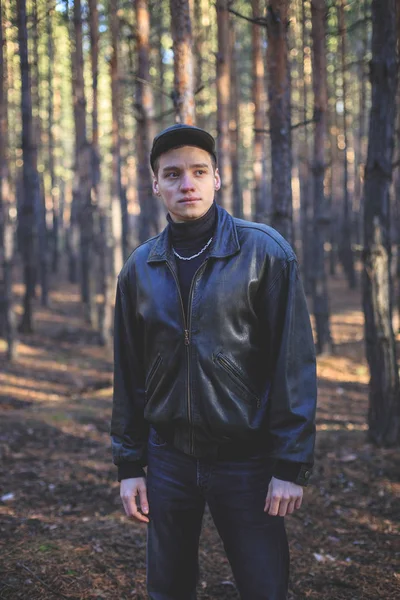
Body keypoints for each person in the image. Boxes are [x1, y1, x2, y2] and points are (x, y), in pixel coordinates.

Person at [111, 123, 317, 600]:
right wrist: (129, 465)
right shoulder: (139, 267)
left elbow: (294, 364)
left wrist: (290, 463)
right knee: (168, 589)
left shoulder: (264, 252)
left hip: (246, 459)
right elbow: (129, 374)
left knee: (264, 588)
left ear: (217, 179)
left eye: (199, 171)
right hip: (168, 460)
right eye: (174, 174)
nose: (187, 183)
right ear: (156, 184)